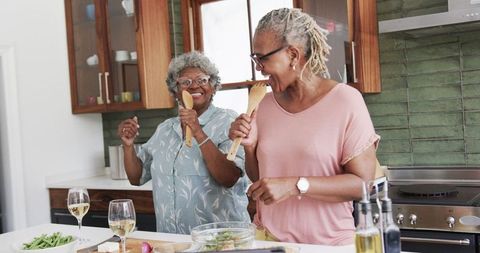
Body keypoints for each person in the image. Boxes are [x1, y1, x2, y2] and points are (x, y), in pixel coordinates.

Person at [228, 8, 380, 245]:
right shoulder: (264, 105)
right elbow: (261, 181)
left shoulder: (345, 101)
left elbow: (362, 184)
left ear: (293, 55)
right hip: (269, 241)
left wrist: (295, 185)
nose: (259, 67)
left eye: (263, 58)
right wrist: (249, 147)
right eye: (255, 58)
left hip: (328, 245)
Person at [118, 51, 250, 234]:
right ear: (176, 90)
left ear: (212, 86)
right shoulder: (164, 129)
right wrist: (128, 145)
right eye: (185, 82)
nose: (194, 85)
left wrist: (198, 131)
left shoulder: (228, 122)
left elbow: (229, 178)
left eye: (202, 80)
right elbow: (136, 177)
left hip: (219, 242)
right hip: (172, 243)